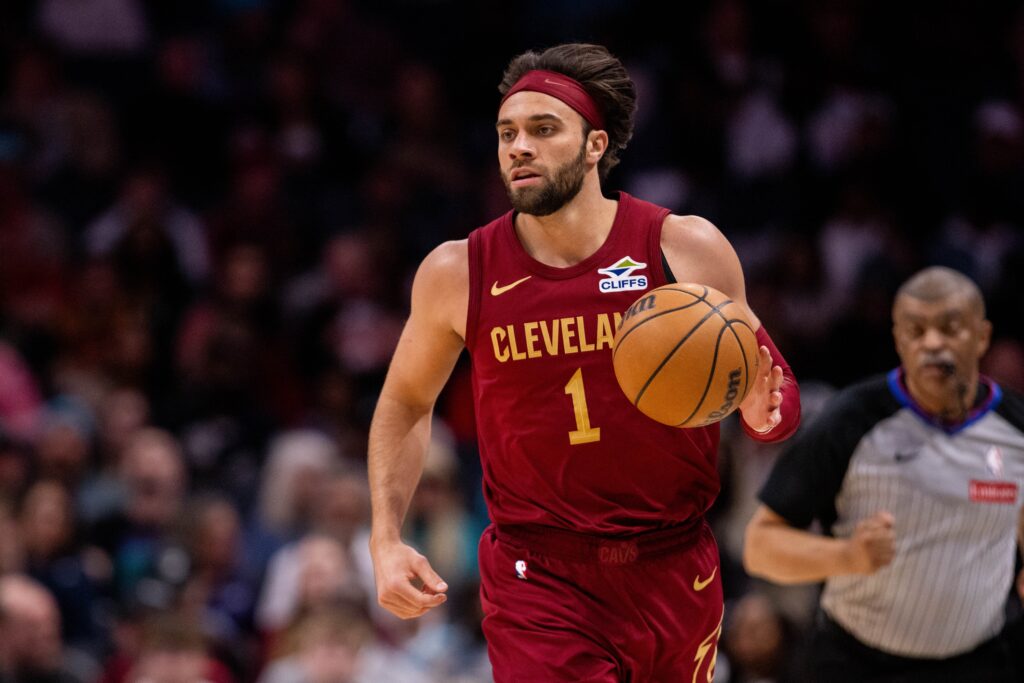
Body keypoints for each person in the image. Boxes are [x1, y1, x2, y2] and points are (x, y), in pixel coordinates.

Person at [368, 43, 801, 682]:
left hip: (675, 563)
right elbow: (405, 401)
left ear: (595, 145)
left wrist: (765, 414)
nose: (519, 147)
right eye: (507, 133)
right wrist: (384, 537)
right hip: (537, 574)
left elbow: (775, 393)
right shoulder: (457, 271)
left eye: (544, 130)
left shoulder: (683, 247)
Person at [744, 266, 1024, 682]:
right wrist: (848, 556)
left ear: (982, 336)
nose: (932, 343)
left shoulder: (1016, 429)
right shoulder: (850, 420)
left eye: (950, 328)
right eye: (916, 330)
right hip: (857, 663)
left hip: (981, 662)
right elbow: (760, 547)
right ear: (897, 339)